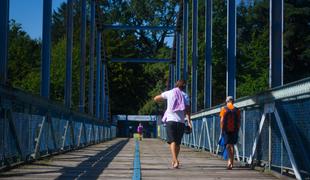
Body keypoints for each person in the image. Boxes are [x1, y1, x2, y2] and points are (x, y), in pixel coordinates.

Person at [154, 80, 191, 169]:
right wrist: (189, 122)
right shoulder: (185, 95)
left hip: (170, 121)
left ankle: (175, 160)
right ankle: (175, 160)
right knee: (177, 143)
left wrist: (162, 101)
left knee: (172, 141)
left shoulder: (170, 93)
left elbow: (156, 98)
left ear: (176, 85)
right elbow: (188, 111)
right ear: (183, 87)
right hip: (181, 122)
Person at [219, 96, 241, 170]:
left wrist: (222, 130)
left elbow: (222, 120)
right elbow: (239, 121)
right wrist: (237, 129)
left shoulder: (223, 109)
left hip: (226, 130)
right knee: (232, 145)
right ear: (233, 101)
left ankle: (229, 162)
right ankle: (231, 162)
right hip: (234, 129)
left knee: (228, 145)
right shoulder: (237, 110)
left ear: (227, 101)